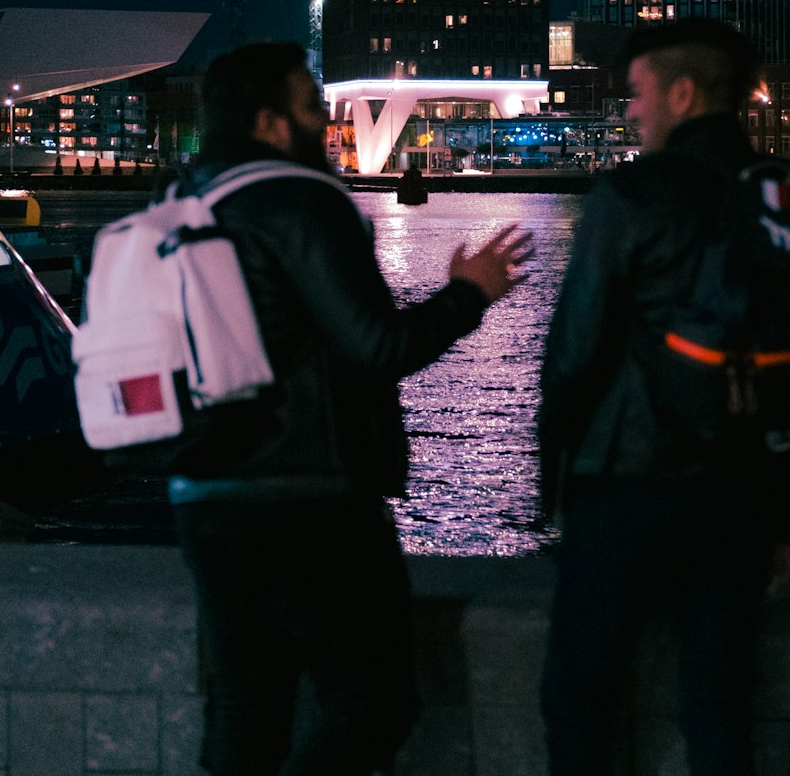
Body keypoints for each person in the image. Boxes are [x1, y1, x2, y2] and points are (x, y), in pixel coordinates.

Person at [169, 42, 533, 776]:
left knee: (247, 700)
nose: (325, 118)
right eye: (312, 105)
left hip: (202, 489)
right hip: (310, 494)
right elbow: (376, 345)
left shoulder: (176, 203)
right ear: (273, 124)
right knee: (372, 704)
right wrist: (470, 293)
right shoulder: (301, 199)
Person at [538, 18, 790, 776]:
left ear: (683, 94)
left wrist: (556, 493)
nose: (630, 112)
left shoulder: (632, 193)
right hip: (744, 499)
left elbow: (571, 356)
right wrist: (785, 515)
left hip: (627, 489)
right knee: (718, 707)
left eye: (638, 95)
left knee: (579, 697)